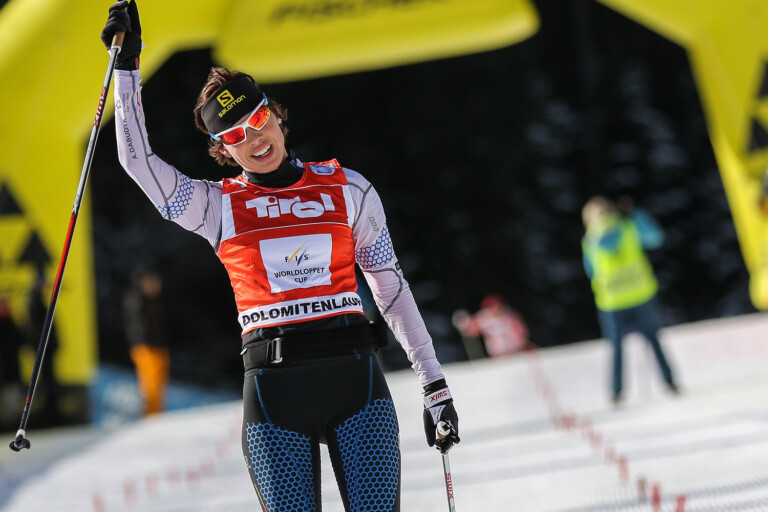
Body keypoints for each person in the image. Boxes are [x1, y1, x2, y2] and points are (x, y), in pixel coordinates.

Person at [100, 3, 460, 510]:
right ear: (223, 150)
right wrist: (126, 69)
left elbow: (391, 288)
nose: (254, 139)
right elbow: (137, 161)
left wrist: (434, 383)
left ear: (276, 115)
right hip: (274, 403)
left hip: (357, 387)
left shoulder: (349, 189)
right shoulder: (216, 207)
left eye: (258, 119)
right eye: (234, 135)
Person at [581, 196, 678, 405]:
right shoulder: (628, 228)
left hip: (611, 301)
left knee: (616, 348)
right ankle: (669, 381)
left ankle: (616, 391)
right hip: (641, 294)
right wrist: (636, 213)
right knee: (654, 340)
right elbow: (655, 238)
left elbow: (590, 272)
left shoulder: (589, 242)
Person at [123, 268, 171, 415]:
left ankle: (155, 414)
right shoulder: (137, 300)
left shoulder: (154, 301)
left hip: (157, 346)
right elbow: (140, 327)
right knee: (150, 384)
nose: (156, 286)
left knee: (159, 384)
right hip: (146, 347)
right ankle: (150, 416)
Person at [452, 294, 533, 358]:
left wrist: (520, 342)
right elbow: (471, 329)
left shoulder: (509, 315)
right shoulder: (485, 317)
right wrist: (463, 323)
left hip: (515, 350)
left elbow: (521, 331)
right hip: (498, 354)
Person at [0, 296, 25, 432]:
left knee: (13, 395)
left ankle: (12, 422)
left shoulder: (11, 323)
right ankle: (7, 422)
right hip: (5, 368)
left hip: (12, 367)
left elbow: (20, 340)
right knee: (7, 395)